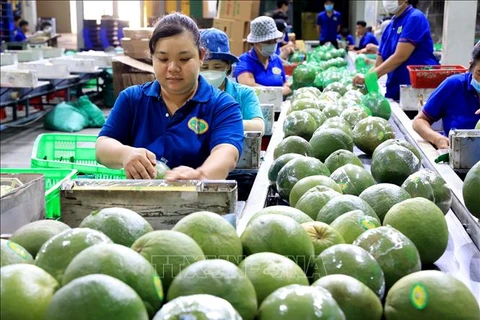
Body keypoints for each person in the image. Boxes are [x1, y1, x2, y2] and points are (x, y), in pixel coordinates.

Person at [96, 13, 244, 180]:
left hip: (199, 201)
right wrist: (125, 154)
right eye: (163, 58)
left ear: (201, 56)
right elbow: (102, 147)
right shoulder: (132, 99)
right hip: (140, 200)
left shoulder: (222, 105)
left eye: (184, 59)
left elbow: (227, 152)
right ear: (151, 57)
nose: (173, 68)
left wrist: (201, 175)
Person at [353, 0, 439, 101]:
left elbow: (400, 56)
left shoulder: (415, 18)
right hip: (395, 91)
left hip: (416, 93)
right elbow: (378, 65)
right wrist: (364, 78)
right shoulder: (389, 27)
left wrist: (370, 77)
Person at [412, 42, 480, 149]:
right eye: (479, 73)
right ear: (470, 66)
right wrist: (436, 138)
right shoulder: (454, 85)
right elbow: (419, 121)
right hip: (457, 157)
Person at [200, 28, 265, 134]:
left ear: (228, 67)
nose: (210, 72)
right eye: (204, 67)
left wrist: (225, 122)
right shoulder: (188, 95)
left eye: (217, 67)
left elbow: (259, 126)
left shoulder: (244, 94)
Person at [234, 16, 291, 96]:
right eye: (268, 42)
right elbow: (249, 88)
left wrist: (287, 87)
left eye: (274, 41)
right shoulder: (245, 61)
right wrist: (279, 92)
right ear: (255, 42)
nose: (272, 44)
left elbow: (285, 83)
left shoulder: (276, 59)